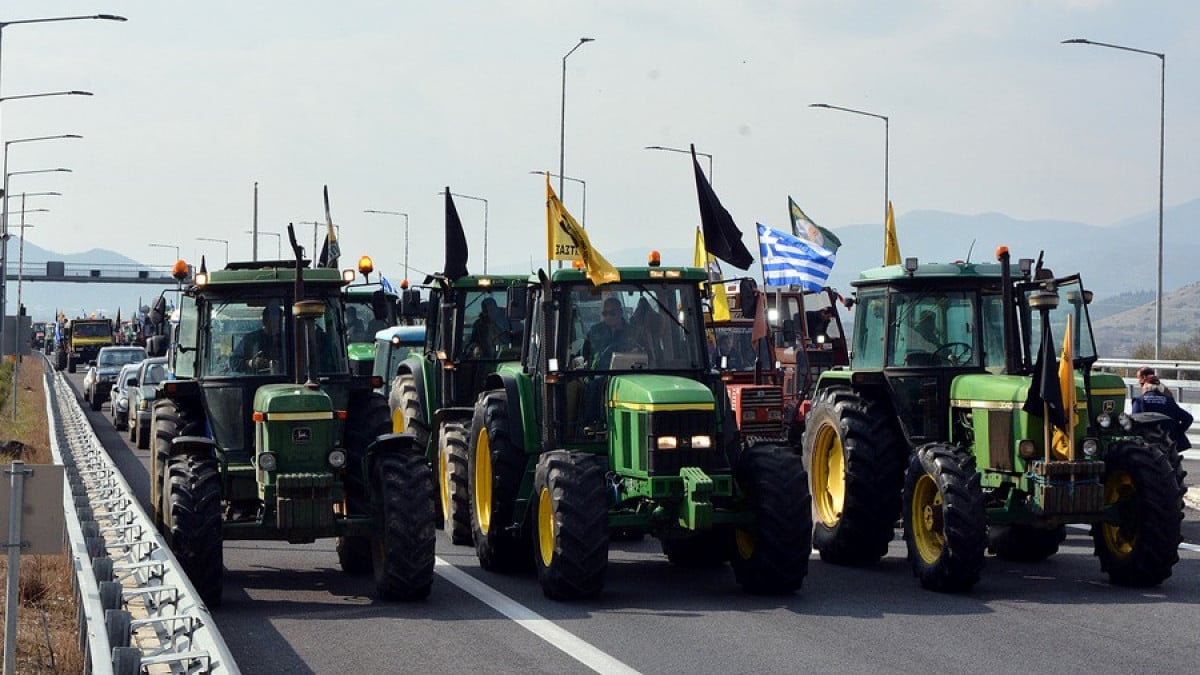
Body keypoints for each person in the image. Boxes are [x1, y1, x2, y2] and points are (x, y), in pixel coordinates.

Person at [1133, 374, 1192, 450]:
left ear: (1146, 386)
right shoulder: (1169, 400)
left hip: (1147, 445)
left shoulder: (1139, 400)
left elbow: (1134, 421)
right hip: (1167, 443)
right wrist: (1177, 432)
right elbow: (1188, 418)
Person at [234, 304, 284, 373]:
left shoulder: (287, 339)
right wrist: (251, 363)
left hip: (284, 381)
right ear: (264, 321)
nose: (277, 325)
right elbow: (233, 362)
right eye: (273, 321)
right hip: (256, 381)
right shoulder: (250, 339)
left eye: (279, 321)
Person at [583, 297, 631, 367]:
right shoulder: (594, 332)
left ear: (620, 312)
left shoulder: (632, 332)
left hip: (626, 374)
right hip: (598, 374)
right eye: (605, 313)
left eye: (612, 313)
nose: (608, 317)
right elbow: (585, 355)